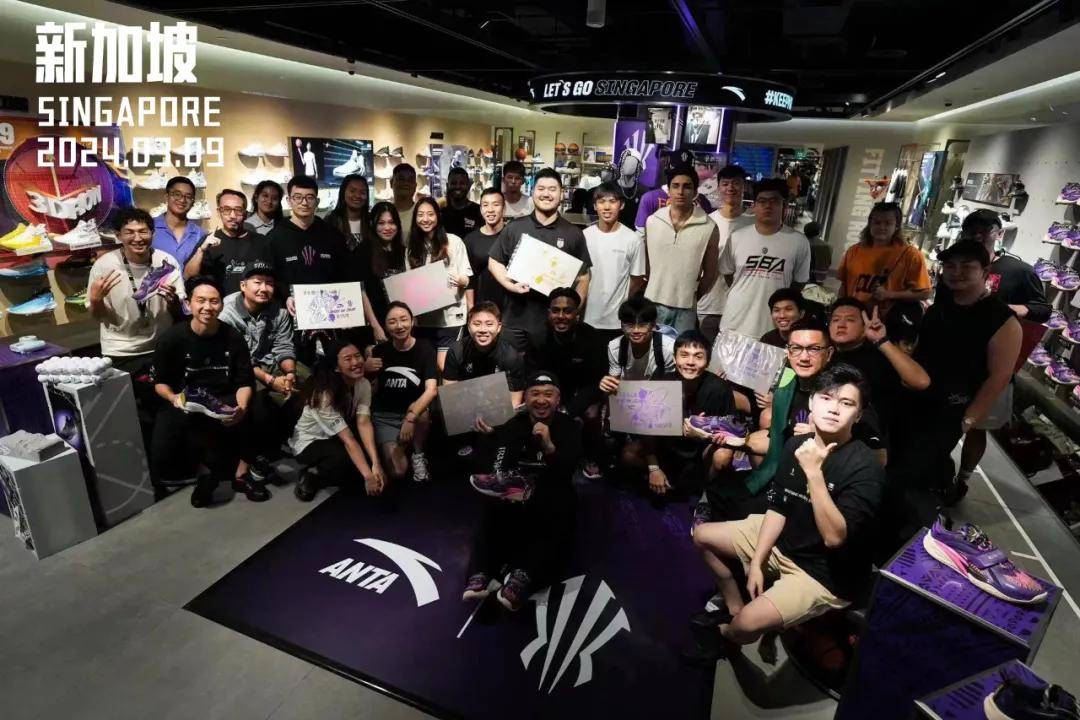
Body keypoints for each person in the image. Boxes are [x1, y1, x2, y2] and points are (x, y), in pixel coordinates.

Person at [689, 364, 886, 661]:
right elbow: (778, 507)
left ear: (858, 415)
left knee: (746, 626)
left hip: (823, 574)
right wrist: (757, 562)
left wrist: (814, 473)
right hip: (786, 541)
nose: (834, 409)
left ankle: (727, 632)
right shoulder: (796, 444)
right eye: (826, 398)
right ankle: (734, 606)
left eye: (846, 403)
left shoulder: (866, 467)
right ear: (812, 402)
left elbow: (834, 538)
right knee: (702, 535)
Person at [937, 209, 1051, 493]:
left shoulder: (1018, 270)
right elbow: (942, 306)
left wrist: (1006, 311)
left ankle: (962, 479)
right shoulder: (952, 268)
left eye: (984, 230)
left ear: (998, 233)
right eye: (971, 230)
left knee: (978, 426)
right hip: (953, 360)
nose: (977, 235)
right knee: (944, 420)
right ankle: (936, 469)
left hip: (994, 361)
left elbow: (1042, 309)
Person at [904, 241, 1021, 504]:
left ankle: (937, 499)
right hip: (918, 399)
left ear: (985, 271)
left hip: (953, 407)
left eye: (966, 266)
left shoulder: (1002, 319)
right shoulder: (939, 308)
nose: (956, 272)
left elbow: (999, 376)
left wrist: (969, 419)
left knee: (923, 464)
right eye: (950, 266)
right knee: (909, 457)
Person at [463, 371, 582, 611]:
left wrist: (549, 446)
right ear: (525, 398)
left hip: (550, 491)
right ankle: (483, 570)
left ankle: (524, 575)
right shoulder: (512, 425)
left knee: (559, 511)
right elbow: (496, 465)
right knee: (491, 507)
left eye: (548, 394)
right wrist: (488, 439)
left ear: (558, 400)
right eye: (535, 394)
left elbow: (567, 471)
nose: (541, 400)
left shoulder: (570, 427)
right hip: (514, 493)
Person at [151, 276, 264, 507]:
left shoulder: (233, 337)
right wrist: (173, 398)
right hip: (186, 398)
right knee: (162, 449)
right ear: (189, 304)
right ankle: (204, 474)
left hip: (223, 396)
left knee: (258, 408)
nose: (207, 307)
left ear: (221, 305)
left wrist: (241, 408)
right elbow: (160, 382)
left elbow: (244, 381)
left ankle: (242, 473)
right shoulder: (172, 339)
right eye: (200, 300)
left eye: (214, 301)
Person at [87, 207, 186, 456]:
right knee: (132, 414)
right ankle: (142, 464)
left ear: (153, 233)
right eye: (129, 232)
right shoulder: (104, 266)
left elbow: (180, 311)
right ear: (118, 235)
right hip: (121, 350)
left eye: (143, 231)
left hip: (160, 347)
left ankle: (169, 462)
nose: (137, 238)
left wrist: (173, 301)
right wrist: (96, 299)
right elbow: (97, 316)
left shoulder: (165, 261)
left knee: (168, 408)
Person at [489, 168, 592, 352]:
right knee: (512, 368)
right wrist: (511, 286)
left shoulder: (573, 233)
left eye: (552, 189)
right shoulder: (515, 227)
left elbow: (584, 277)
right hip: (516, 322)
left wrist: (574, 310)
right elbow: (494, 261)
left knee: (551, 369)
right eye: (541, 188)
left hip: (555, 325)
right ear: (532, 192)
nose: (546, 194)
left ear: (561, 193)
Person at [218, 261, 297, 481]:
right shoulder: (227, 313)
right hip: (238, 368)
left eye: (269, 283)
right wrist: (270, 380)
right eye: (257, 282)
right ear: (243, 285)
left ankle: (292, 440)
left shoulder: (279, 311)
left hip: (269, 361)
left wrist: (290, 373)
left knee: (305, 380)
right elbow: (239, 360)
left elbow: (284, 346)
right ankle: (252, 457)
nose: (264, 288)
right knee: (258, 399)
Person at [649, 330, 743, 499]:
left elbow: (734, 432)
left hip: (701, 456)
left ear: (707, 362)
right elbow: (645, 430)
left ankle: (708, 495)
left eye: (698, 356)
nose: (690, 362)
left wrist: (702, 432)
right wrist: (654, 469)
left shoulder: (719, 388)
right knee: (629, 454)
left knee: (723, 455)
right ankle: (657, 479)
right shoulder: (661, 382)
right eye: (684, 355)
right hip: (667, 451)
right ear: (675, 358)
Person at [829, 297, 930, 451]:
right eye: (836, 320)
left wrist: (881, 340)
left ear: (864, 328)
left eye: (850, 320)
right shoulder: (823, 352)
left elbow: (921, 381)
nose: (841, 324)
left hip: (869, 443)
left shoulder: (879, 357)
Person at [291, 341, 385, 501]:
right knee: (345, 460)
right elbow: (348, 439)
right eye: (348, 359)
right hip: (310, 442)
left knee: (370, 455)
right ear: (336, 367)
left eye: (358, 356)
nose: (356, 362)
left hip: (336, 435)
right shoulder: (324, 394)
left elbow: (363, 422)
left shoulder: (363, 383)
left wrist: (376, 464)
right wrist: (369, 476)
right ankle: (313, 474)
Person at [268, 175, 348, 361]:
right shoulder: (275, 237)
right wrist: (285, 296)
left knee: (332, 364)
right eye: (298, 197)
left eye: (309, 197)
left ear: (317, 201)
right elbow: (271, 277)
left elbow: (343, 274)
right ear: (289, 200)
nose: (304, 202)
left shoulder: (332, 235)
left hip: (331, 314)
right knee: (301, 367)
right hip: (292, 316)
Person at [719, 179, 811, 340]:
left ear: (784, 206)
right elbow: (728, 274)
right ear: (754, 206)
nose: (768, 206)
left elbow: (798, 283)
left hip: (772, 327)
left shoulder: (798, 241)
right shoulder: (737, 237)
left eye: (774, 201)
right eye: (762, 201)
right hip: (734, 323)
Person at [530, 288, 607, 478]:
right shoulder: (538, 337)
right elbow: (533, 377)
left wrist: (569, 409)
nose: (561, 316)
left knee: (591, 413)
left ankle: (591, 455)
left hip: (582, 392)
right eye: (556, 310)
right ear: (549, 313)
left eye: (567, 311)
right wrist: (550, 401)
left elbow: (597, 381)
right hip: (550, 391)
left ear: (577, 314)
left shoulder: (591, 337)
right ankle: (537, 452)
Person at [363, 302, 439, 482]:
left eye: (404, 319)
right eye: (392, 322)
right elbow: (362, 386)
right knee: (398, 472)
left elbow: (431, 390)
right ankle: (401, 444)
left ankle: (418, 453)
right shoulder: (379, 351)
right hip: (385, 417)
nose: (399, 326)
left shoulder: (426, 349)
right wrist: (364, 369)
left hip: (414, 414)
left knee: (421, 410)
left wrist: (410, 417)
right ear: (385, 326)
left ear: (412, 321)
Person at [642, 164, 720, 333]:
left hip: (686, 309)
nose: (680, 191)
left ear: (695, 191)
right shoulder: (653, 221)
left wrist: (691, 295)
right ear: (669, 189)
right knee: (653, 349)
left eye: (687, 186)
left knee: (682, 350)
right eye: (676, 186)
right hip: (652, 303)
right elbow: (646, 265)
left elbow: (710, 273)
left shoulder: (709, 226)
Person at [406, 197, 472, 368]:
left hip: (451, 318)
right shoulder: (411, 248)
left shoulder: (454, 242)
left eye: (430, 214)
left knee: (445, 367)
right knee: (427, 369)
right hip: (423, 320)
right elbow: (409, 286)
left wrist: (459, 280)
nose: (425, 219)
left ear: (438, 216)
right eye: (420, 215)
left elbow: (467, 278)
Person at [836, 202, 931, 313]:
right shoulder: (853, 251)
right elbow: (844, 286)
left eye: (888, 223)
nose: (881, 227)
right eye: (877, 222)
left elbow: (924, 293)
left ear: (896, 226)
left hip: (888, 320)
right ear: (870, 224)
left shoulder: (910, 255)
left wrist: (889, 294)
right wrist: (838, 310)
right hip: (854, 316)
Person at [583, 181, 646, 345]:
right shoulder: (584, 236)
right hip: (586, 318)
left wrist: (622, 302)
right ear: (595, 206)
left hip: (617, 321)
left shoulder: (633, 239)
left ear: (621, 205)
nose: (606, 207)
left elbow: (637, 279)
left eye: (612, 201)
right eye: (601, 201)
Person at [697, 166, 752, 344]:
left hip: (742, 308)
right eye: (725, 183)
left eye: (736, 183)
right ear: (718, 187)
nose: (730, 188)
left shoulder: (754, 224)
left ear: (744, 186)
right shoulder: (707, 222)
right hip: (709, 304)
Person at [185, 188, 271, 295]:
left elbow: (272, 278)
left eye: (238, 210)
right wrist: (201, 251)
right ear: (219, 212)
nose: (232, 216)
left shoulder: (260, 241)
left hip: (254, 303)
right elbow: (188, 276)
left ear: (245, 213)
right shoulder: (208, 241)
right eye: (226, 210)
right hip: (220, 303)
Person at [364, 201, 407, 344]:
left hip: (402, 325)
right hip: (377, 325)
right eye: (381, 223)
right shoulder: (364, 252)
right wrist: (375, 326)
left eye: (391, 222)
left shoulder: (403, 251)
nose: (387, 228)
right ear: (373, 225)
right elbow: (361, 291)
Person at [463, 187, 507, 310]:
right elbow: (469, 278)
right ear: (481, 209)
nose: (490, 210)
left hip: (511, 308)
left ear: (504, 209)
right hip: (482, 307)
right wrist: (471, 307)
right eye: (485, 205)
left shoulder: (512, 235)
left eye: (496, 204)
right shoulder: (471, 239)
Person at [152, 175, 205, 268]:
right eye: (177, 194)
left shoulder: (200, 234)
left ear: (193, 202)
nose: (182, 200)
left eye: (188, 196)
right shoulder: (149, 228)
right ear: (167, 197)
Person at [324, 173, 371, 253]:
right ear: (343, 192)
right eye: (352, 191)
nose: (357, 195)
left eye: (362, 192)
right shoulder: (331, 220)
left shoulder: (372, 221)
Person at [441, 166, 484, 238]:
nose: (458, 186)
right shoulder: (441, 214)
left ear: (469, 185)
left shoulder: (479, 212)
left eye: (462, 183)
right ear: (447, 186)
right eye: (453, 183)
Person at [391, 163, 418, 238]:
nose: (406, 183)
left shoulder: (421, 214)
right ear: (391, 183)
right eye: (401, 179)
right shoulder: (384, 213)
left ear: (415, 186)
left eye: (410, 180)